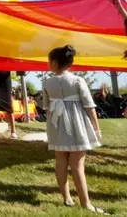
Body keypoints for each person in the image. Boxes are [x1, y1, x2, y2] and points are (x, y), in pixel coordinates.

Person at [42, 45, 105, 214]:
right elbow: (90, 106)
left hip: (57, 125)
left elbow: (47, 108)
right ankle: (86, 203)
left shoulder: (47, 82)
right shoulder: (78, 81)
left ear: (54, 63)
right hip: (76, 126)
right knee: (77, 165)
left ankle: (67, 198)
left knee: (60, 162)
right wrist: (96, 129)